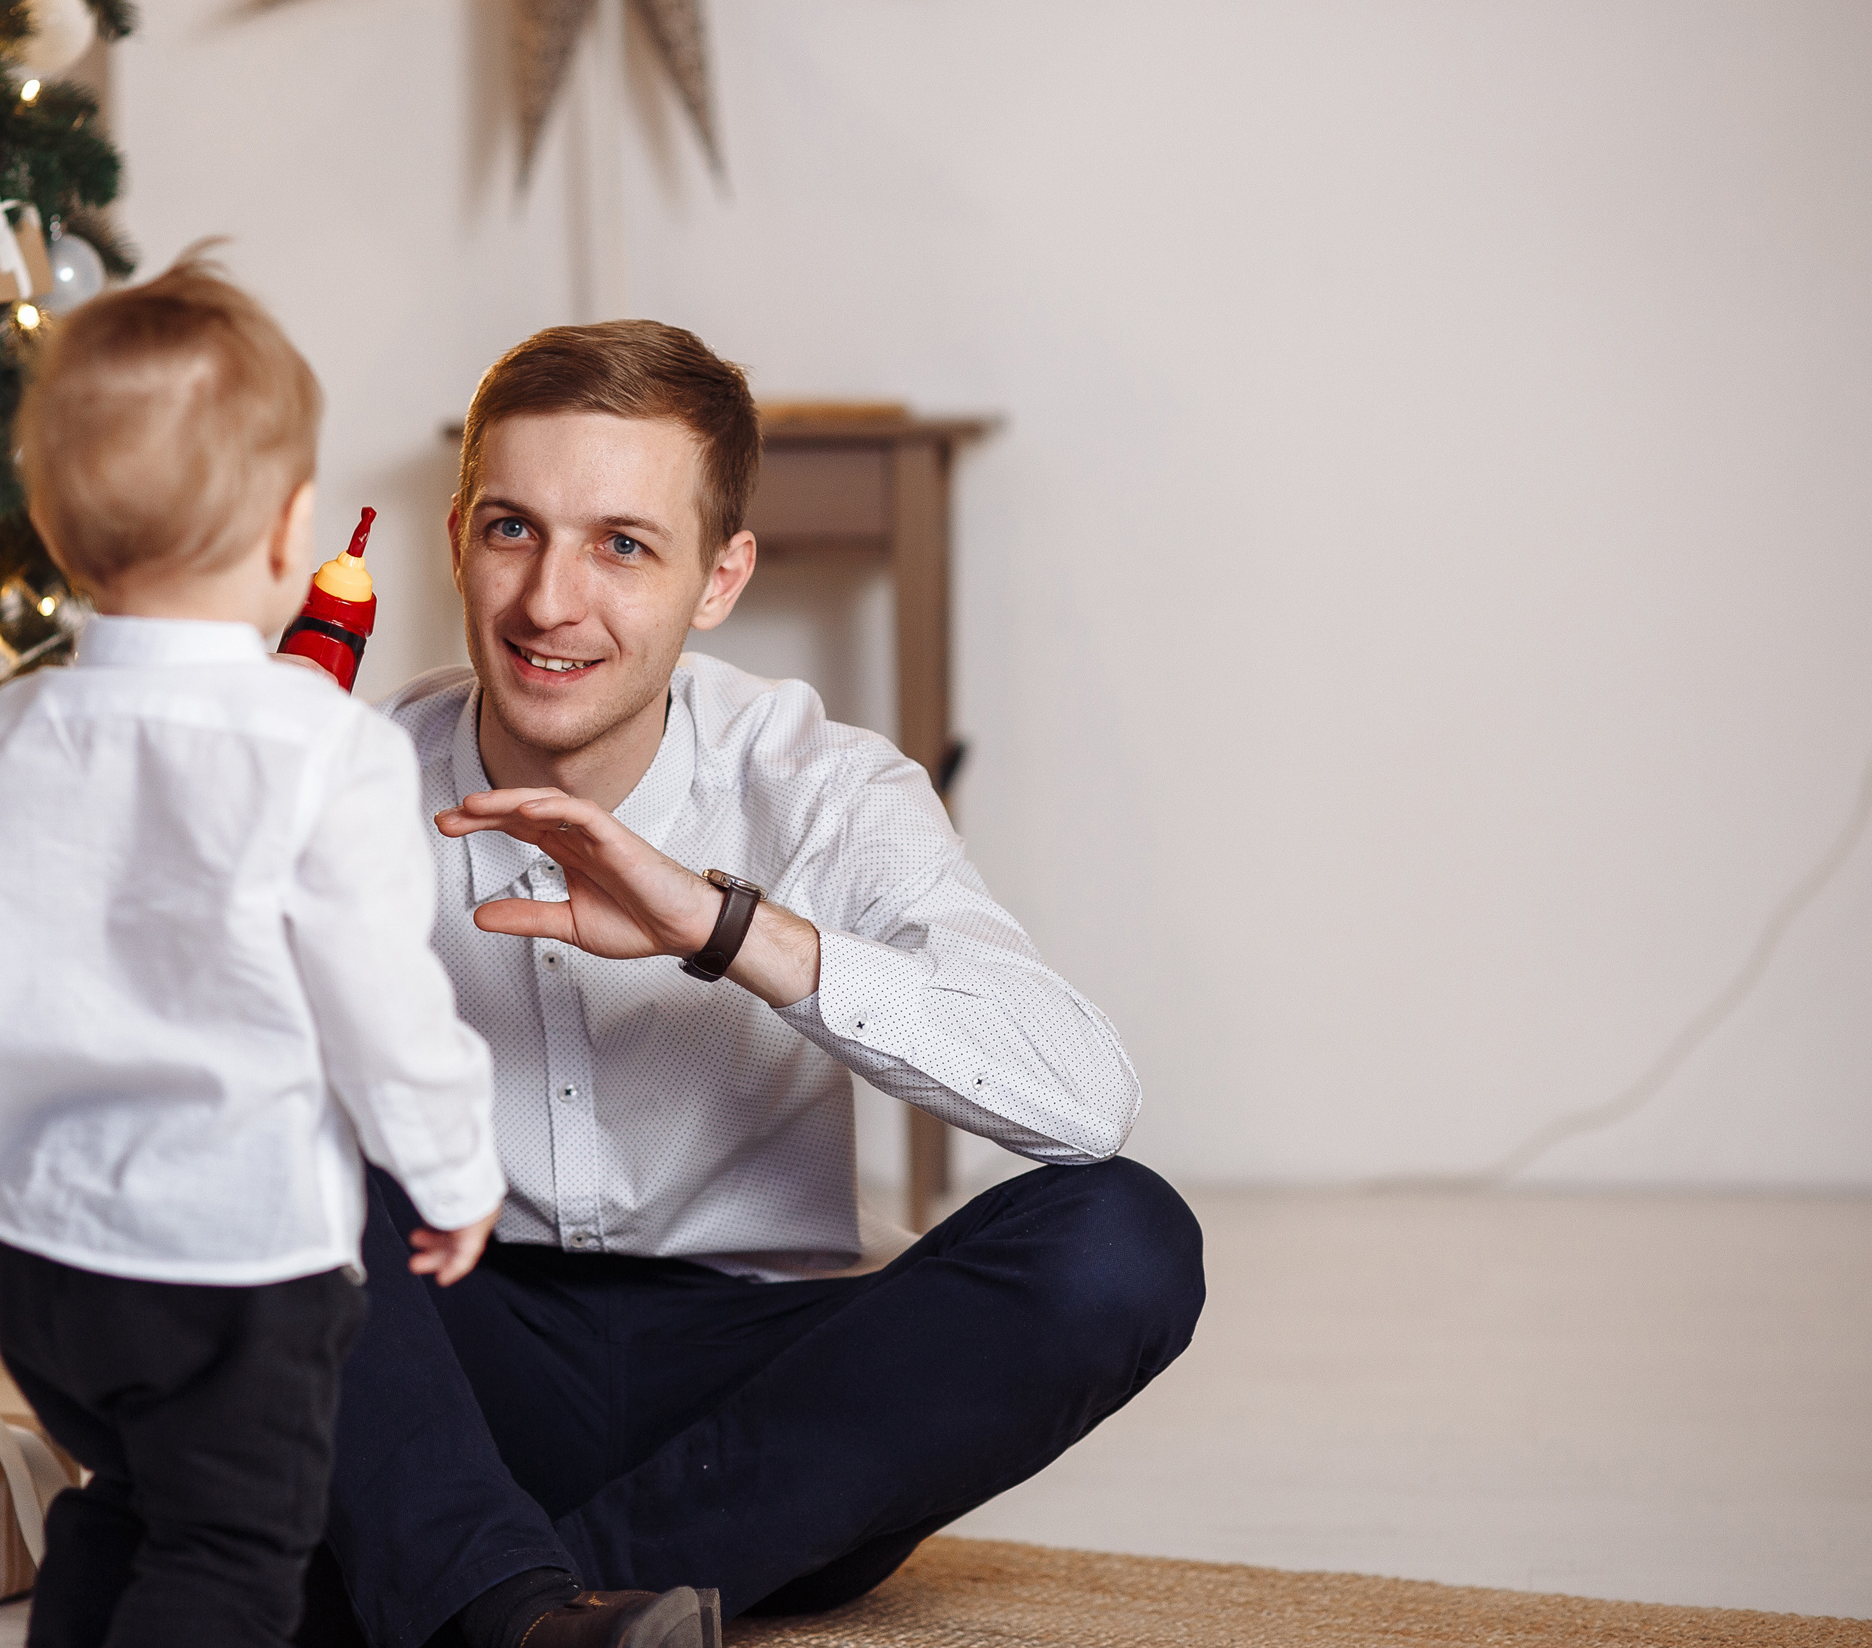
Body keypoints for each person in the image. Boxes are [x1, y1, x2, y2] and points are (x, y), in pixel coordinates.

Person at [307, 322, 1208, 1648]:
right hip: (449, 1367)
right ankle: (521, 1605)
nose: (551, 601)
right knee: (268, 1143)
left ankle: (495, 1600)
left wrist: (726, 929)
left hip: (753, 1414)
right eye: (513, 531)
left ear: (719, 577)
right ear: (456, 541)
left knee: (1125, 1243)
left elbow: (1085, 1100)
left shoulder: (823, 787)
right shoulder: (336, 776)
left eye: (623, 545)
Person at [0, 256, 507, 1648]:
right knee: (231, 1552)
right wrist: (455, 1168)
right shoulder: (320, 750)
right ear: (292, 533)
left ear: (55, 529)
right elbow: (381, 999)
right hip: (235, 1253)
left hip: (44, 1261)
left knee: (124, 1503)